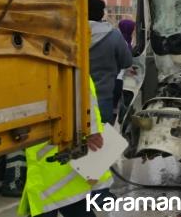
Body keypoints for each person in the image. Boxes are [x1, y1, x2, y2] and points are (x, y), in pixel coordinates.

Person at [18, 80, 112, 217]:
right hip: (61, 144)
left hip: (53, 145)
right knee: (71, 201)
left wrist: (92, 129)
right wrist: (92, 129)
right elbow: (82, 87)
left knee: (64, 200)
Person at [88, 0, 133, 124]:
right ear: (102, 13)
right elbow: (127, 62)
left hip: (72, 101)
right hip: (102, 99)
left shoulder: (71, 35)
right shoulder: (113, 36)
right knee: (101, 141)